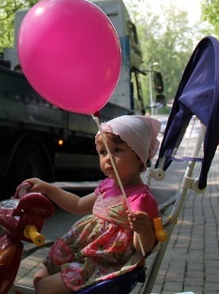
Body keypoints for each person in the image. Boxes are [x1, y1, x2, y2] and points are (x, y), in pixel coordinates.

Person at [22, 115, 161, 293]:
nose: (108, 158)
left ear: (140, 157)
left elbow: (142, 247)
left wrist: (143, 229)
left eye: (117, 150)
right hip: (81, 251)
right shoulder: (107, 185)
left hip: (104, 262)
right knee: (39, 277)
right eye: (103, 152)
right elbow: (78, 204)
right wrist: (49, 189)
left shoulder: (140, 197)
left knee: (44, 288)